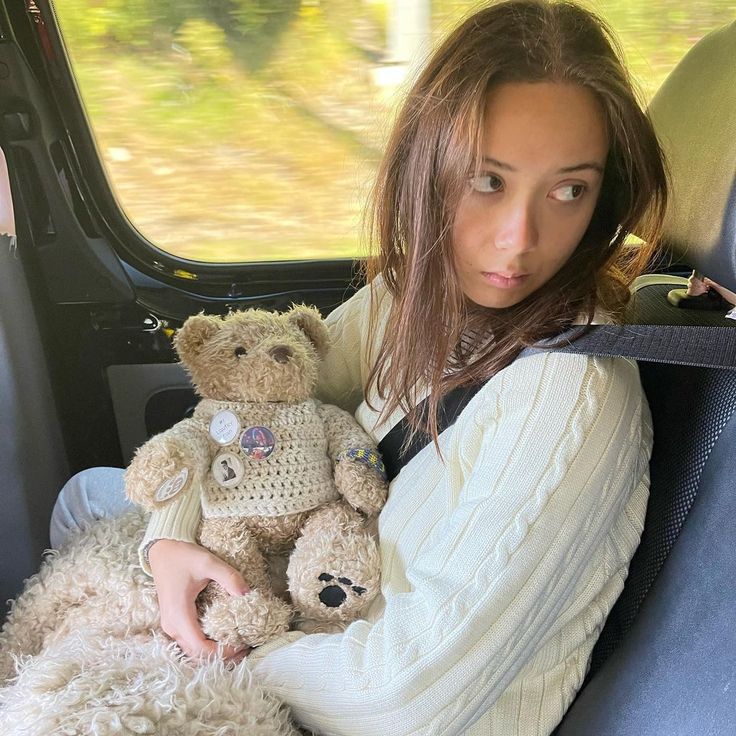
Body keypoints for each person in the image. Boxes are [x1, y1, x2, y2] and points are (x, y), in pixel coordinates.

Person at [51, 1, 668, 733]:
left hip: (355, 693)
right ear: (426, 168)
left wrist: (224, 646)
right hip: (307, 595)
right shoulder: (416, 293)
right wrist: (170, 544)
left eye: (569, 190)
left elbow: (399, 695)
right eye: (488, 180)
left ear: (605, 200)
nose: (517, 241)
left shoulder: (573, 396)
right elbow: (244, 407)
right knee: (83, 498)